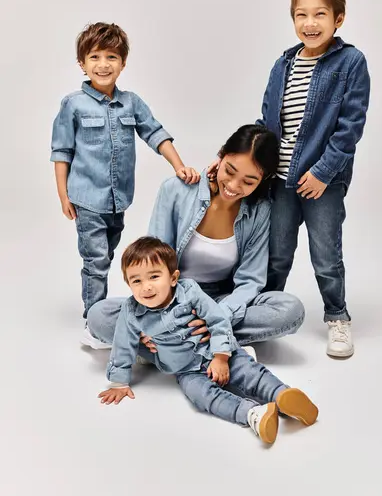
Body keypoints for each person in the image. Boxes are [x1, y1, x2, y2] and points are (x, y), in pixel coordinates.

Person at [84, 124, 305, 359]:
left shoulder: (260, 211)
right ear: (220, 156)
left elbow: (250, 280)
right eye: (229, 171)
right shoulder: (176, 190)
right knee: (99, 315)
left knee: (290, 310)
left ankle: (163, 347)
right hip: (170, 296)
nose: (233, 186)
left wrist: (217, 316)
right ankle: (214, 346)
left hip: (222, 298)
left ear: (262, 181)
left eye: (248, 182)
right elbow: (154, 259)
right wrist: (170, 308)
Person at [98, 237, 318, 445]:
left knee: (249, 373)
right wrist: (119, 382)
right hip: (186, 370)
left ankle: (282, 395)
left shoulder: (189, 291)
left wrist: (221, 357)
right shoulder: (131, 310)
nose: (146, 287)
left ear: (173, 278)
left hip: (214, 349)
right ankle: (253, 414)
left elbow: (218, 320)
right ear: (128, 284)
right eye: (136, 280)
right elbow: (123, 344)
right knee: (202, 397)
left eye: (154, 277)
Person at [50, 22, 199, 320]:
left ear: (123, 63)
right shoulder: (74, 105)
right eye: (94, 57)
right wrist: (64, 195)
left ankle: (99, 313)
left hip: (118, 201)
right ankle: (94, 320)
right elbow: (61, 152)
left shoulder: (131, 103)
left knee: (106, 254)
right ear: (82, 63)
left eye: (111, 57)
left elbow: (156, 134)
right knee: (96, 261)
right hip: (87, 199)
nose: (103, 65)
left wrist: (179, 166)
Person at [257, 0, 370, 358]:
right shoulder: (283, 65)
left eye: (320, 14)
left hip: (323, 182)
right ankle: (262, 320)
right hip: (281, 179)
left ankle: (337, 317)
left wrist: (323, 173)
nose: (310, 23)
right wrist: (234, 156)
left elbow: (349, 126)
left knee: (325, 254)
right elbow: (268, 123)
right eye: (301, 15)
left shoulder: (350, 62)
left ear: (338, 19)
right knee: (276, 253)